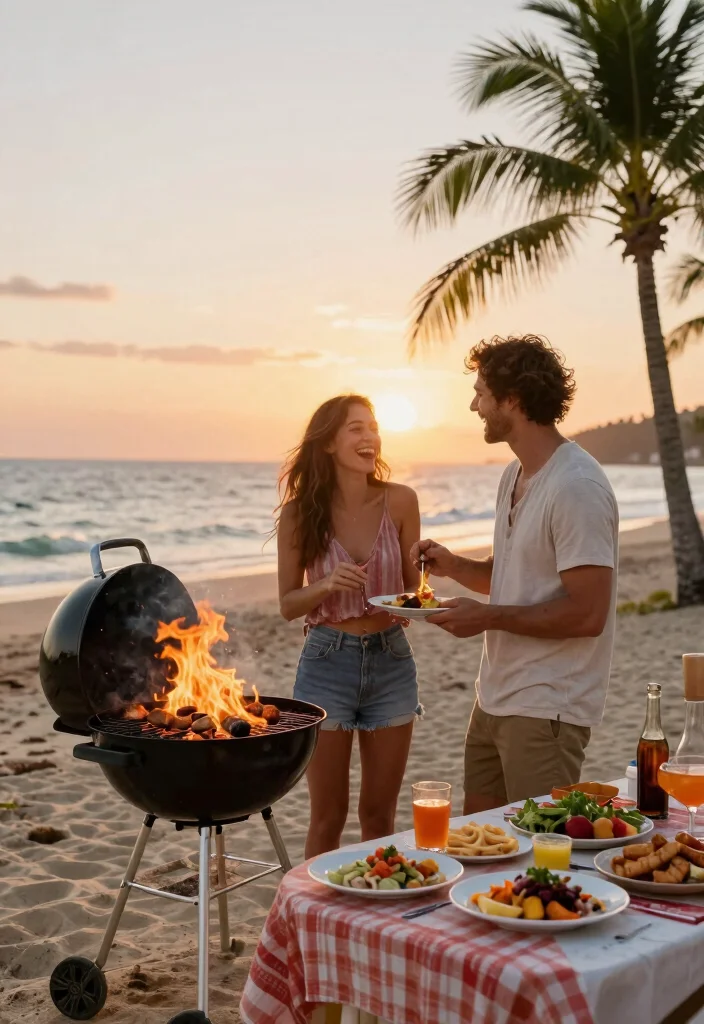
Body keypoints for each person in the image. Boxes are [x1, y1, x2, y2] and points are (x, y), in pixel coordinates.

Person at [412, 335, 618, 813]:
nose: (474, 404)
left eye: (482, 392)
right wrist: (455, 566)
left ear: (513, 399)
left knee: (534, 855)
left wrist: (484, 618)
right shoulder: (515, 474)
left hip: (548, 707)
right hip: (494, 699)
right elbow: (514, 579)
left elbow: (588, 614)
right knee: (483, 852)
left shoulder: (576, 486)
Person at [276, 394, 422, 857]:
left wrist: (429, 570)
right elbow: (287, 605)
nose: (369, 437)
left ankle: (375, 921)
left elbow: (417, 592)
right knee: (327, 817)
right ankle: (314, 922)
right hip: (325, 663)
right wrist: (324, 585)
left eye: (373, 427)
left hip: (391, 660)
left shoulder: (401, 501)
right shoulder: (300, 514)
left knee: (379, 816)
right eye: (356, 428)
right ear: (328, 444)